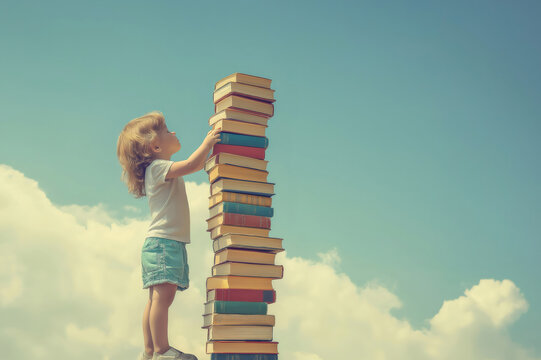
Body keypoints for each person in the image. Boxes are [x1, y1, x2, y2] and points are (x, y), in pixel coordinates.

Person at [116, 111, 221, 360]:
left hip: (160, 243)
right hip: (165, 243)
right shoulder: (159, 167)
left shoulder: (158, 169)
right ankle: (162, 351)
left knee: (156, 298)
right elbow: (193, 165)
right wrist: (209, 142)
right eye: (167, 131)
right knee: (163, 298)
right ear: (155, 145)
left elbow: (195, 165)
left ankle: (150, 351)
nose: (173, 132)